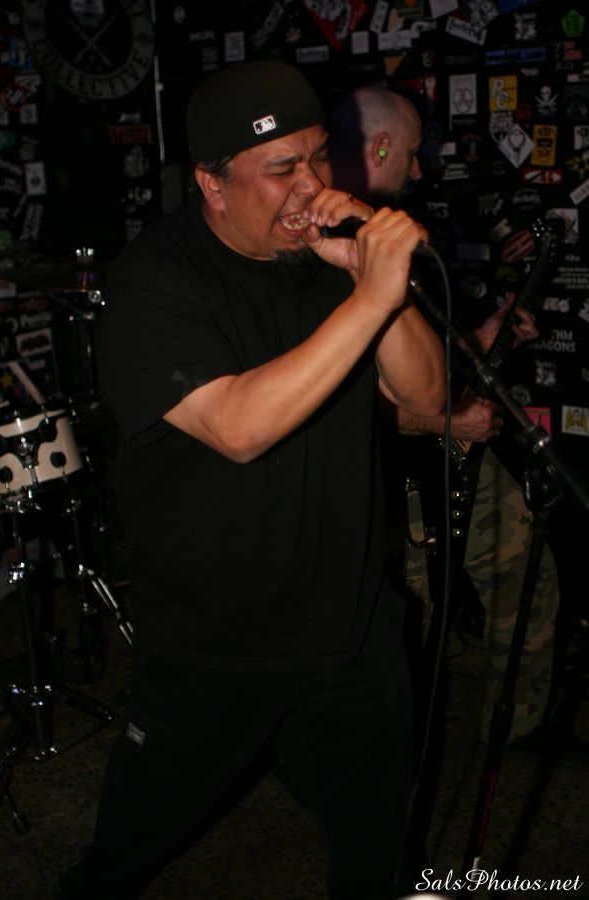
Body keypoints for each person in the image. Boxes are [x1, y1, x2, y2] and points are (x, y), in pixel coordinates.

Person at [58, 62, 445, 900]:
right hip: (217, 637)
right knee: (127, 851)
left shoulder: (326, 259)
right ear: (212, 183)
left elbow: (425, 397)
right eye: (281, 169)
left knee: (379, 844)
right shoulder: (155, 281)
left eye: (319, 157)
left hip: (348, 620)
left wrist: (371, 283)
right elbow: (237, 427)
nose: (311, 187)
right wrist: (368, 301)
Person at [329, 83, 559, 746]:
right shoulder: (326, 244)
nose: (419, 169)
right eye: (410, 153)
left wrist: (481, 338)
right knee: (406, 618)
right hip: (383, 475)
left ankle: (514, 733)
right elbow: (337, 401)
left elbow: (415, 362)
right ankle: (381, 757)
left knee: (527, 575)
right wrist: (446, 424)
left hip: (441, 453)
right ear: (378, 147)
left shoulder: (391, 231)